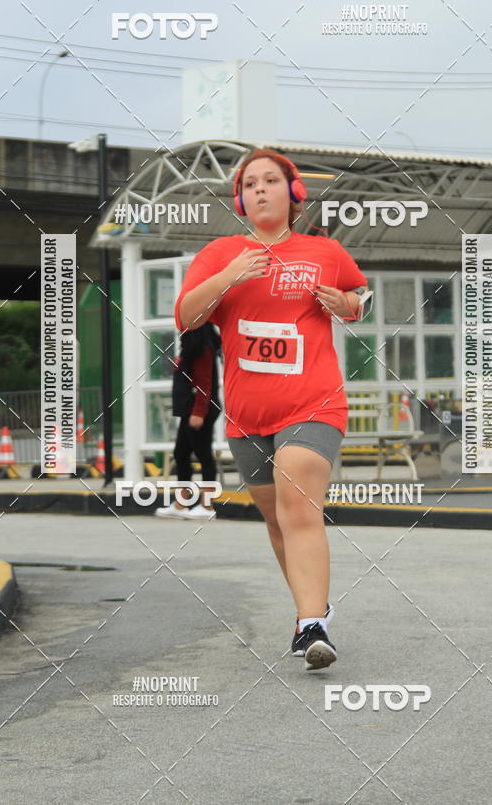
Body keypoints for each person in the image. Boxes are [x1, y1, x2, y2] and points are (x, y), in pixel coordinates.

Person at [174, 149, 369, 670]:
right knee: (277, 520)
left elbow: (360, 296)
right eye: (251, 183)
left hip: (314, 402)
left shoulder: (323, 250)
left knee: (299, 503)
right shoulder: (221, 254)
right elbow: (187, 316)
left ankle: (311, 627)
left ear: (292, 192)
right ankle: (311, 608)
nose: (261, 189)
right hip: (244, 415)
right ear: (240, 199)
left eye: (271, 181)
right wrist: (231, 277)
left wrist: (347, 305)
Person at [155, 322, 222, 520]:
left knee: (204, 456)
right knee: (181, 453)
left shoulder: (203, 349)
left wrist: (199, 412)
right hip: (189, 409)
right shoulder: (192, 348)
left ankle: (207, 506)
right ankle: (181, 503)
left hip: (198, 410)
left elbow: (205, 383)